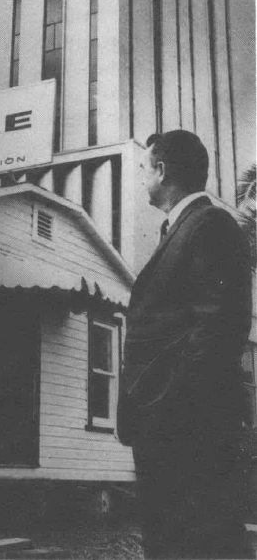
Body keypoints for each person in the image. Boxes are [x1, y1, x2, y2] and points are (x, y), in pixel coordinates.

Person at [117, 130, 252, 559]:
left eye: (143, 168)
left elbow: (219, 327)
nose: (140, 177)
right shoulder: (179, 228)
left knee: (201, 540)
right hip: (169, 425)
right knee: (169, 539)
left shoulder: (210, 224)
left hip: (187, 426)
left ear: (162, 170)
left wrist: (171, 405)